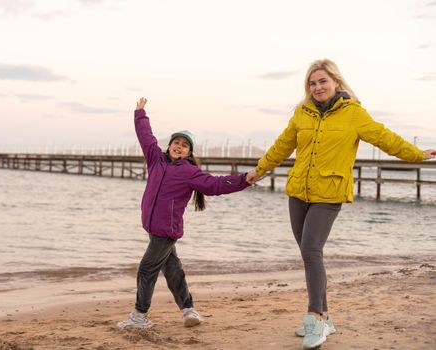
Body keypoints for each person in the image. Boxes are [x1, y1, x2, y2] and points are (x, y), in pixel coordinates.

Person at [246, 59, 436, 350]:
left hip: (329, 194)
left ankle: (315, 320)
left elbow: (384, 138)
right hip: (298, 192)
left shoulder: (353, 113)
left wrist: (417, 154)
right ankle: (326, 316)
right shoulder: (301, 113)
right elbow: (282, 145)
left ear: (336, 82)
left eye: (323, 81)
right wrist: (259, 170)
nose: (317, 87)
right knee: (310, 254)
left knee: (311, 250)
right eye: (312, 83)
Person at [118, 97, 251, 330]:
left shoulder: (190, 172)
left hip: (165, 231)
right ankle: (188, 309)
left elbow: (216, 184)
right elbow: (145, 137)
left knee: (147, 269)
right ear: (169, 145)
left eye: (184, 145)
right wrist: (140, 114)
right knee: (173, 270)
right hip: (154, 228)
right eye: (176, 142)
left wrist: (244, 180)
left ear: (189, 152)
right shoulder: (155, 160)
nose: (179, 146)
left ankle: (140, 316)